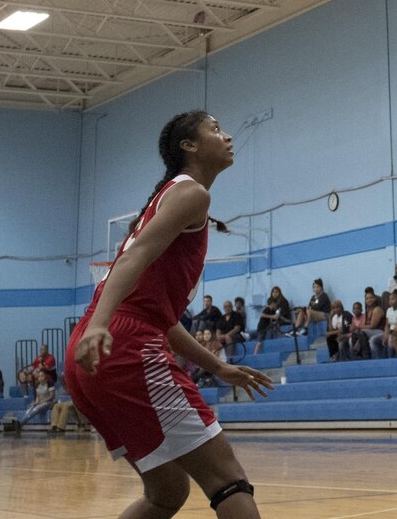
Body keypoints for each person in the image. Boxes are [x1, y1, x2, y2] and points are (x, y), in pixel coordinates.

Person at [66, 111, 274, 519]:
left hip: (97, 352)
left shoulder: (173, 198)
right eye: (215, 129)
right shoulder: (192, 193)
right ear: (189, 146)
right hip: (123, 345)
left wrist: (218, 366)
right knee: (228, 479)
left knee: (166, 491)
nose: (228, 135)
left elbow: (160, 316)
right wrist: (101, 324)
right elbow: (136, 255)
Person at [254, 287, 289, 352]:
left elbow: (280, 316)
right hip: (262, 327)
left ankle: (279, 338)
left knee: (275, 326)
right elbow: (264, 315)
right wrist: (273, 317)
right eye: (273, 292)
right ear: (272, 304)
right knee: (260, 341)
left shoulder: (283, 301)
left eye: (276, 292)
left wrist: (287, 320)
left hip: (268, 325)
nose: (275, 293)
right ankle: (255, 353)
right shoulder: (268, 309)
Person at [376, 291, 397, 359]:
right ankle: (378, 360)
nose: (390, 301)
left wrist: (389, 335)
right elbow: (387, 325)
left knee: (390, 339)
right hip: (390, 331)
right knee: (373, 340)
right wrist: (386, 334)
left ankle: (390, 359)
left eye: (393, 299)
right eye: (389, 299)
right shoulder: (389, 310)